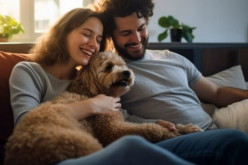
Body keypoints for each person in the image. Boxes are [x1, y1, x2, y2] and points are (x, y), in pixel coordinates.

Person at [8, 6, 248, 165]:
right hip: (62, 153)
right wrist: (92, 105)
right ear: (63, 33)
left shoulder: (93, 77)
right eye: (86, 34)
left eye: (99, 39)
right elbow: (25, 122)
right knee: (131, 145)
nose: (93, 44)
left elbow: (120, 117)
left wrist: (155, 124)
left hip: (103, 148)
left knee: (232, 140)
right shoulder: (29, 71)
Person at [91, 0, 248, 133]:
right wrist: (151, 124)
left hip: (212, 132)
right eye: (126, 33)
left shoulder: (171, 58)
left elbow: (216, 92)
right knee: (238, 140)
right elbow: (109, 116)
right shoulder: (111, 72)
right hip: (173, 139)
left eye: (141, 28)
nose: (137, 39)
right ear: (110, 35)